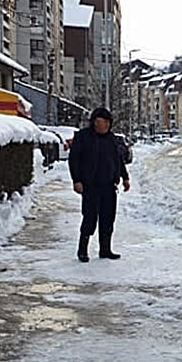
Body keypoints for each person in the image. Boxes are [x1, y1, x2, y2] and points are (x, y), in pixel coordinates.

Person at [68, 107, 131, 262]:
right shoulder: (83, 137)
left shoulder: (111, 139)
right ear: (96, 122)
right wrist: (76, 180)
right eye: (105, 122)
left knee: (108, 219)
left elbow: (118, 160)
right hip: (90, 186)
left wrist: (125, 177)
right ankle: (82, 250)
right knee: (89, 218)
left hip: (109, 186)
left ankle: (105, 249)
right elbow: (74, 160)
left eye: (109, 122)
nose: (108, 125)